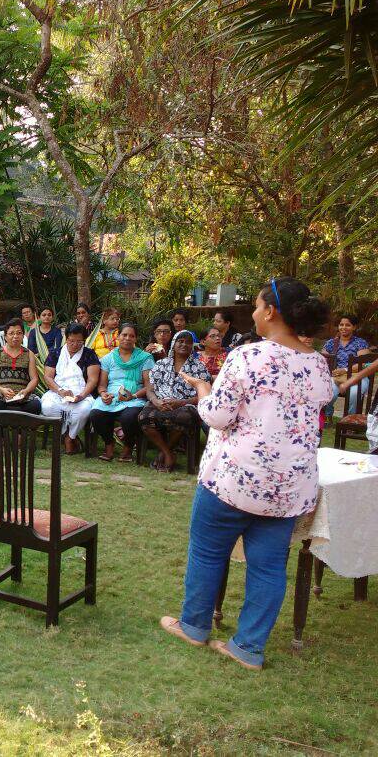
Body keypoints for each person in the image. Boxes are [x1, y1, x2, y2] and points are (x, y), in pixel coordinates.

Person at [161, 278, 333, 670]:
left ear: (271, 312)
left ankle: (194, 626)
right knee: (270, 567)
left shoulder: (246, 357)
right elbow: (319, 404)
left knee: (207, 552)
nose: (253, 313)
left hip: (233, 480)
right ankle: (249, 648)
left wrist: (204, 388)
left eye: (256, 306)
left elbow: (218, 417)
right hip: (289, 487)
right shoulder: (318, 363)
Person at [139, 331, 211, 472]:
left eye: (188, 342)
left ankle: (163, 454)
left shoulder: (199, 367)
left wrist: (181, 402)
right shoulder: (161, 364)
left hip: (186, 404)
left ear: (192, 346)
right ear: (174, 343)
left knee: (183, 418)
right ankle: (168, 454)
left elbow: (204, 395)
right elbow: (149, 389)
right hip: (160, 402)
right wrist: (156, 401)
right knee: (144, 417)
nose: (184, 344)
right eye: (181, 341)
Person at [89, 323, 152, 462]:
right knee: (96, 414)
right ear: (118, 336)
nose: (127, 338)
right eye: (124, 335)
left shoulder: (145, 358)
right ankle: (109, 444)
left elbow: (149, 386)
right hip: (112, 397)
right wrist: (104, 394)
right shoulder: (108, 358)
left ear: (136, 339)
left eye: (131, 336)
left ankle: (128, 446)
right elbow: (102, 385)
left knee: (128, 418)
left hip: (135, 397)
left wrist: (133, 395)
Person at [40, 323, 100, 454]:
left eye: (79, 341)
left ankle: (70, 437)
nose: (75, 344)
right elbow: (48, 378)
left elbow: (92, 380)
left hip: (81, 393)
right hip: (57, 391)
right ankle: (64, 432)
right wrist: (61, 391)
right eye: (71, 341)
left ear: (84, 340)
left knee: (84, 410)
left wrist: (81, 396)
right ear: (66, 338)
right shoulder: (55, 353)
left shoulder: (89, 354)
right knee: (48, 407)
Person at [0, 319, 42, 413]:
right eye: (11, 333)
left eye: (19, 333)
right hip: (1, 394)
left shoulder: (29, 354)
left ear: (23, 335)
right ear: (5, 337)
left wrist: (26, 391)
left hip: (23, 396)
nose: (15, 336)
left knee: (35, 406)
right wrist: (1, 389)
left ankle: (23, 427)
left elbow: (34, 379)